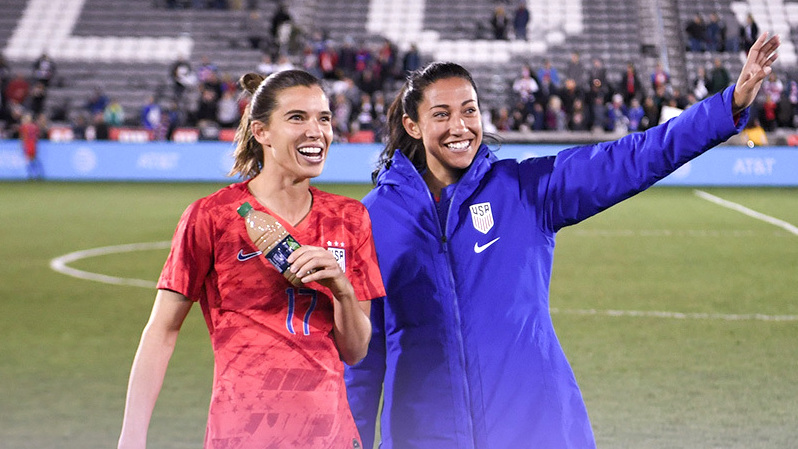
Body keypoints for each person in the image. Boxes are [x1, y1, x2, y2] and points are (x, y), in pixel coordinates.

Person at [345, 32, 779, 449]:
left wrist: (728, 106)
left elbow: (630, 158)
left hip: (534, 428)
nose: (460, 126)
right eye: (441, 114)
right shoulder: (372, 218)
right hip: (423, 436)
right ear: (412, 125)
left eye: (470, 110)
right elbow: (362, 358)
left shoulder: (526, 189)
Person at [117, 69, 385, 449]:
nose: (317, 131)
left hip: (330, 435)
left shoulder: (350, 218)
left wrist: (341, 289)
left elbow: (356, 352)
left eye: (323, 118)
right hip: (241, 435)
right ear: (261, 132)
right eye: (297, 118)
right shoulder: (212, 216)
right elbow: (162, 331)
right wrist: (132, 436)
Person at [19, 113, 43, 180]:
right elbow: (38, 136)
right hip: (32, 144)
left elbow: (22, 137)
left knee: (29, 159)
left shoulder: (24, 127)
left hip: (29, 144)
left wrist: (21, 144)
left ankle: (33, 174)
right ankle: (35, 174)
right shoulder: (34, 126)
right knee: (32, 159)